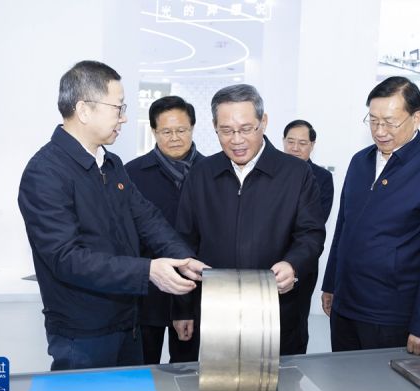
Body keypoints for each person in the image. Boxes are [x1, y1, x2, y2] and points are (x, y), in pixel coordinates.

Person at [18, 61, 206, 371]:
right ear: (84, 110)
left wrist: (183, 258)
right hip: (84, 333)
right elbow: (66, 258)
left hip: (127, 320)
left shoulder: (111, 164)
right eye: (118, 108)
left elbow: (147, 218)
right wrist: (147, 271)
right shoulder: (46, 173)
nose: (124, 118)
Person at [173, 84, 326, 357]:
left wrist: (293, 264)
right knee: (213, 381)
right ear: (214, 127)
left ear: (263, 122)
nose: (236, 140)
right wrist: (182, 308)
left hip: (277, 311)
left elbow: (311, 234)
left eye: (246, 129)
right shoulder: (200, 174)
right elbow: (184, 243)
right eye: (226, 130)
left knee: (276, 381)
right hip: (213, 312)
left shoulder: (296, 173)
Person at [322, 76, 420, 355]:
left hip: (391, 315)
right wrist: (330, 284)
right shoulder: (360, 161)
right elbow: (343, 228)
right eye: (373, 121)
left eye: (389, 122)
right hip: (346, 304)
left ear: (416, 118)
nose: (380, 131)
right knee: (342, 380)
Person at [125, 96, 204, 364]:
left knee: (186, 370)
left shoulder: (212, 172)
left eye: (181, 130)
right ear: (154, 131)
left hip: (196, 286)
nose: (175, 138)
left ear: (193, 128)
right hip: (148, 291)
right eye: (166, 132)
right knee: (143, 369)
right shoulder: (132, 173)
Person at [282, 119, 334, 351]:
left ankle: (294, 367)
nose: (295, 148)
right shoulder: (271, 172)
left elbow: (315, 223)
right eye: (290, 141)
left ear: (312, 145)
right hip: (267, 261)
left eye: (302, 143)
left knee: (296, 321)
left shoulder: (322, 178)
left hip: (302, 262)